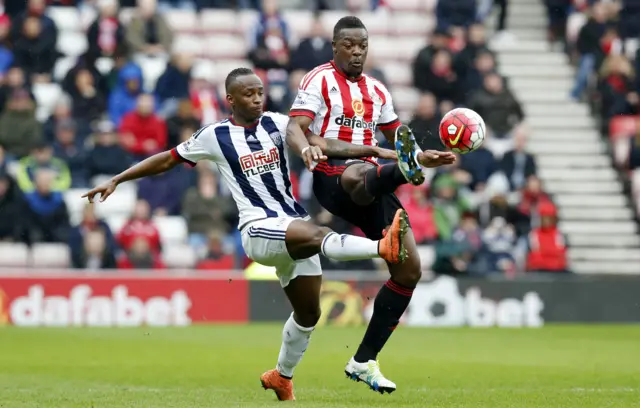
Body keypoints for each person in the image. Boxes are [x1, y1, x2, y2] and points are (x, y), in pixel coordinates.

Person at [82, 67, 409, 401]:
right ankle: (381, 247)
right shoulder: (214, 135)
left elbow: (320, 141)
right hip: (260, 229)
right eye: (249, 94)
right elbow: (168, 159)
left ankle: (282, 377)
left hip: (292, 225)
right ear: (230, 99)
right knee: (319, 233)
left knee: (309, 314)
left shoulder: (278, 124)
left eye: (259, 93)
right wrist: (118, 179)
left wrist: (378, 152)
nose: (256, 100)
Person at [286, 16, 456, 394]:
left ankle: (363, 361)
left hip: (372, 182)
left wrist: (420, 155)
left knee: (409, 270)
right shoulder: (319, 79)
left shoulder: (377, 90)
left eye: (363, 45)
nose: (358, 51)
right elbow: (295, 127)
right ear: (335, 47)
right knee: (357, 173)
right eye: (349, 45)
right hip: (333, 178)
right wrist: (306, 148)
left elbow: (399, 138)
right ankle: (401, 173)